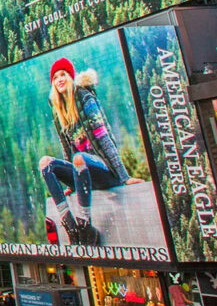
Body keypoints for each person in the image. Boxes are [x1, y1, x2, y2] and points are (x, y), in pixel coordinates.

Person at [38, 56, 146, 246]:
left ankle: (85, 225)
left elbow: (104, 139)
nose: (59, 80)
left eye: (63, 75)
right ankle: (71, 226)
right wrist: (71, 181)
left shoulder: (85, 98)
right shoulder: (58, 111)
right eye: (55, 77)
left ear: (70, 77)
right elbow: (66, 148)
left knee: (79, 158)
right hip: (81, 170)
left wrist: (124, 177)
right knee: (45, 163)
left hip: (102, 169)